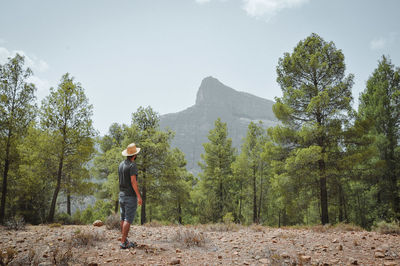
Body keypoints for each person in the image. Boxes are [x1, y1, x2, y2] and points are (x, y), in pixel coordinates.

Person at [118, 143, 143, 249]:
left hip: (122, 195)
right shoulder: (133, 166)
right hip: (130, 196)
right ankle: (123, 242)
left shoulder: (121, 164)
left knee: (123, 218)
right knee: (128, 219)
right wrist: (139, 196)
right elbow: (133, 182)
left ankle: (124, 240)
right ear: (135, 155)